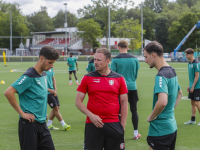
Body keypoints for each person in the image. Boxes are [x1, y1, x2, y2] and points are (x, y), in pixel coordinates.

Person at [4, 45, 59, 150]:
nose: (52, 66)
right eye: (50, 62)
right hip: (29, 125)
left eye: (53, 63)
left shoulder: (43, 75)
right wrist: (21, 113)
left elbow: (38, 94)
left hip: (42, 125)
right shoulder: (29, 76)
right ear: (41, 59)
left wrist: (42, 112)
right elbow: (8, 92)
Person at [76, 48, 128, 150]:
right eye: (95, 59)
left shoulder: (119, 78)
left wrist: (122, 126)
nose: (95, 62)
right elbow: (78, 102)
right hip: (93, 124)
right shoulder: (87, 78)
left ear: (108, 61)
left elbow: (124, 102)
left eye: (99, 60)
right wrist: (91, 116)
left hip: (114, 124)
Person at [144, 41, 182, 150]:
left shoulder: (161, 76)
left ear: (153, 55)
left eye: (146, 57)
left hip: (160, 131)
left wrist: (151, 117)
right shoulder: (172, 70)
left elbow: (162, 102)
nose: (146, 60)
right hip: (171, 127)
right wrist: (169, 111)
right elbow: (180, 93)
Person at [111, 39, 141, 140]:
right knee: (134, 110)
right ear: (127, 47)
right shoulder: (135, 59)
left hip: (119, 88)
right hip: (132, 86)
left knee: (119, 112)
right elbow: (136, 74)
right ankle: (135, 133)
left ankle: (120, 135)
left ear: (118, 47)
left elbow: (113, 75)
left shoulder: (115, 59)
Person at [184, 48, 200, 125]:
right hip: (192, 86)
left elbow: (197, 76)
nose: (186, 56)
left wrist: (193, 86)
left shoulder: (196, 63)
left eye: (187, 55)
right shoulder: (189, 63)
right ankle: (193, 120)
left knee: (197, 103)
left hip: (198, 86)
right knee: (192, 102)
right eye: (185, 55)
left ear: (192, 54)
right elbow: (192, 77)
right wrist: (189, 85)